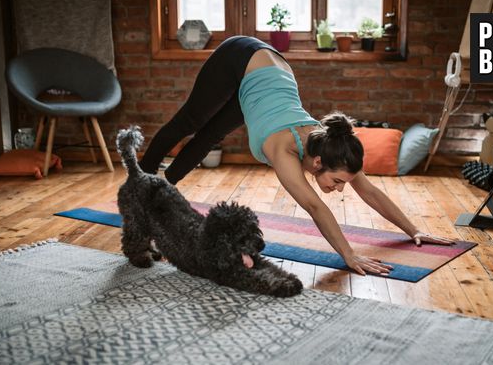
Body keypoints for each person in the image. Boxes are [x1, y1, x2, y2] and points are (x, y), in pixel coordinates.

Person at [139, 36, 455, 276]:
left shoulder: (333, 148)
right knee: (191, 123)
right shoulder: (283, 149)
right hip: (240, 57)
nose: (341, 188)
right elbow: (315, 206)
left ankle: (162, 186)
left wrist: (413, 230)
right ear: (317, 163)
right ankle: (141, 180)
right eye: (337, 182)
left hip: (269, 72)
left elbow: (369, 190)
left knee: (210, 136)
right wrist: (349, 255)